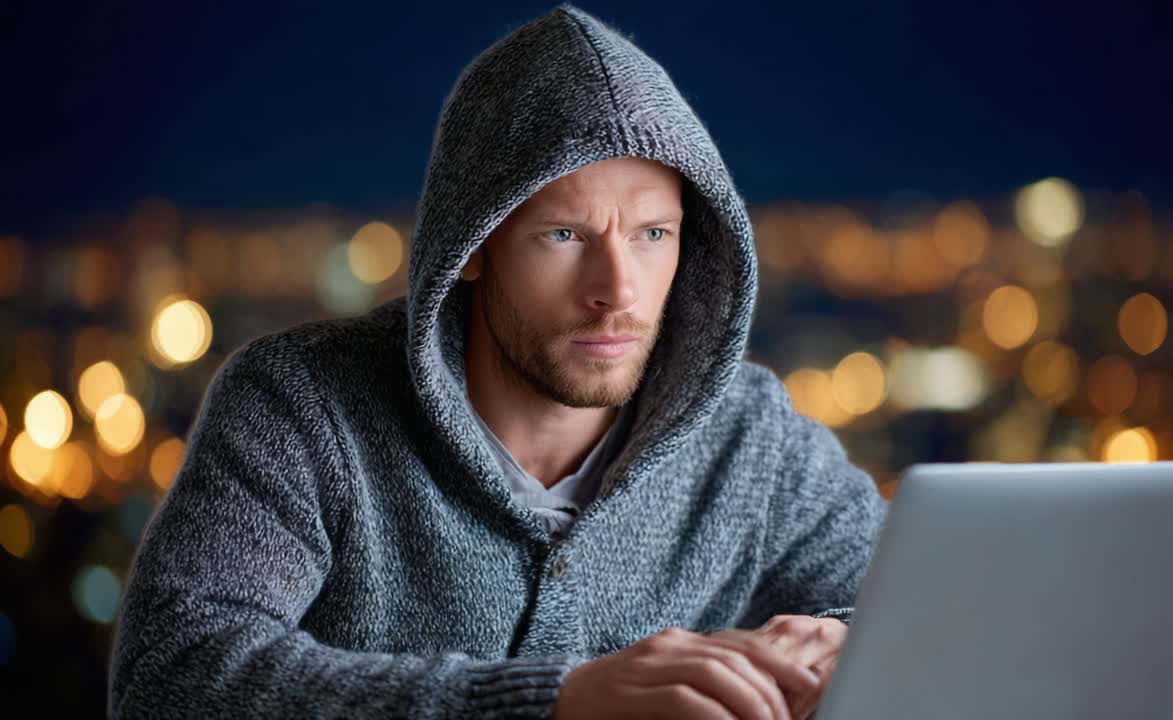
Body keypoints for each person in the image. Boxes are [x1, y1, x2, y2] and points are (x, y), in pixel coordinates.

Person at [108, 5, 887, 718]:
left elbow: (929, 602)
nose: (617, 291)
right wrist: (551, 702)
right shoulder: (303, 411)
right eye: (565, 236)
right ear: (472, 246)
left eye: (653, 235)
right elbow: (173, 677)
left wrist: (849, 640)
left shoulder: (754, 440)